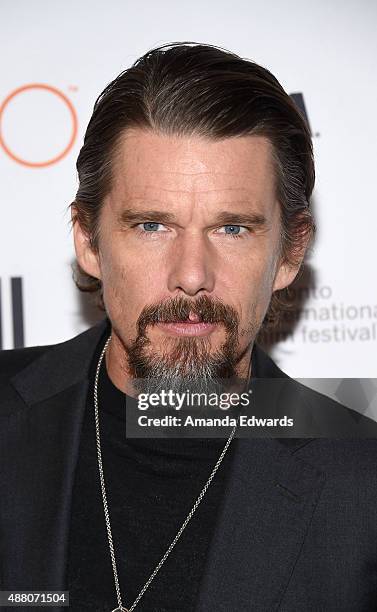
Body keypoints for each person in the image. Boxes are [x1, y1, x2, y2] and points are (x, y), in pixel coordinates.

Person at [1, 43, 377, 612]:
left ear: (290, 253)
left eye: (234, 229)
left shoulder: (362, 487)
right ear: (88, 241)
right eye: (152, 225)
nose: (192, 276)